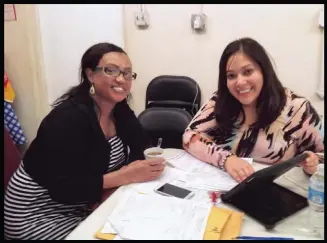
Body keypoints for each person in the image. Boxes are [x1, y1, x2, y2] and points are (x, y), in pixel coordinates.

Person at [4, 43, 165, 240]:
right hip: (37, 213)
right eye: (111, 70)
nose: (121, 79)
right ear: (90, 76)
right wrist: (122, 178)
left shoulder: (119, 108)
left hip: (81, 203)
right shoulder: (67, 119)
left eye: (128, 73)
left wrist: (123, 177)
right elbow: (63, 187)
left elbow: (142, 144)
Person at [183, 37, 324, 182]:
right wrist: (226, 160)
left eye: (248, 71)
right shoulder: (220, 100)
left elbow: (321, 154)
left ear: (264, 71)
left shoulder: (296, 108)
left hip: (274, 193)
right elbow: (189, 137)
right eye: (231, 76)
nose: (240, 82)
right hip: (221, 189)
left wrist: (313, 165)